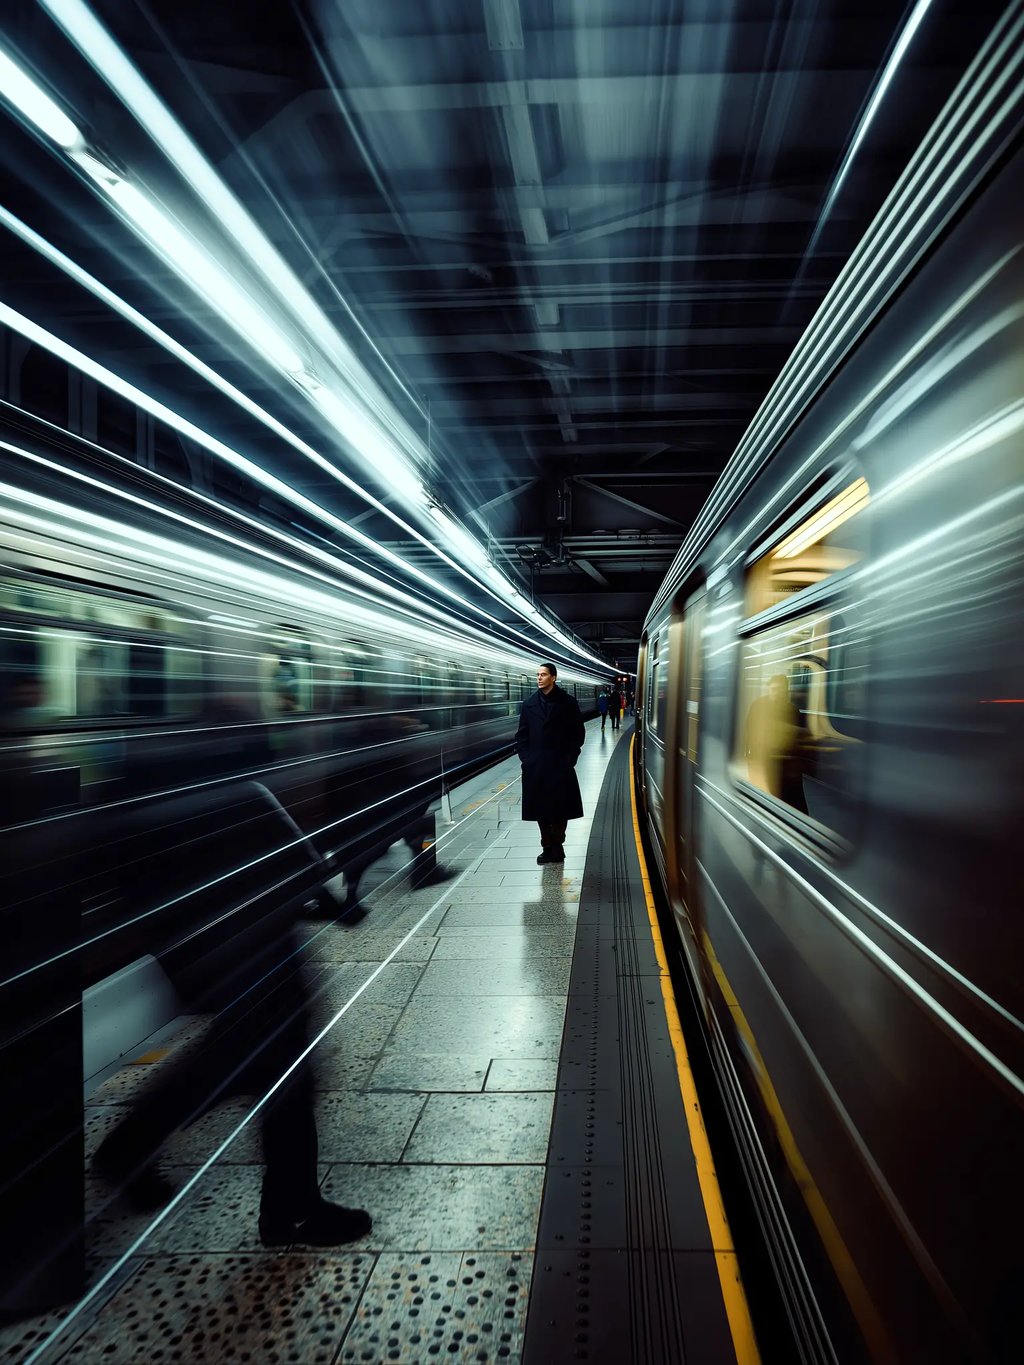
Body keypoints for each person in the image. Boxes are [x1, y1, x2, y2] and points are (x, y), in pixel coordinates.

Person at [93, 785, 372, 1248]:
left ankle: (127, 1147)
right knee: (284, 1063)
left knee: (241, 1056)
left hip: (189, 939)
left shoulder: (151, 775)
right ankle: (294, 1208)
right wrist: (333, 902)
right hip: (252, 937)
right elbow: (285, 843)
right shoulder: (230, 770)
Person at [515, 662, 585, 864]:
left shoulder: (568, 703)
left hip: (560, 764)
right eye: (537, 674)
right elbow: (522, 735)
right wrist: (526, 759)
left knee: (561, 808)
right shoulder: (529, 704)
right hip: (536, 766)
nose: (539, 678)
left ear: (553, 677)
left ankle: (558, 844)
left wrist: (570, 758)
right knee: (540, 809)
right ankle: (548, 846)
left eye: (543, 674)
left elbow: (578, 733)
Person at [743, 673, 808, 813]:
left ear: (786, 691)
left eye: (781, 690)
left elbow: (798, 738)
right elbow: (749, 728)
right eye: (774, 689)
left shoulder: (793, 710)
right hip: (763, 758)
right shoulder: (758, 705)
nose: (777, 693)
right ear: (769, 689)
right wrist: (747, 752)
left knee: (791, 799)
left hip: (785, 762)